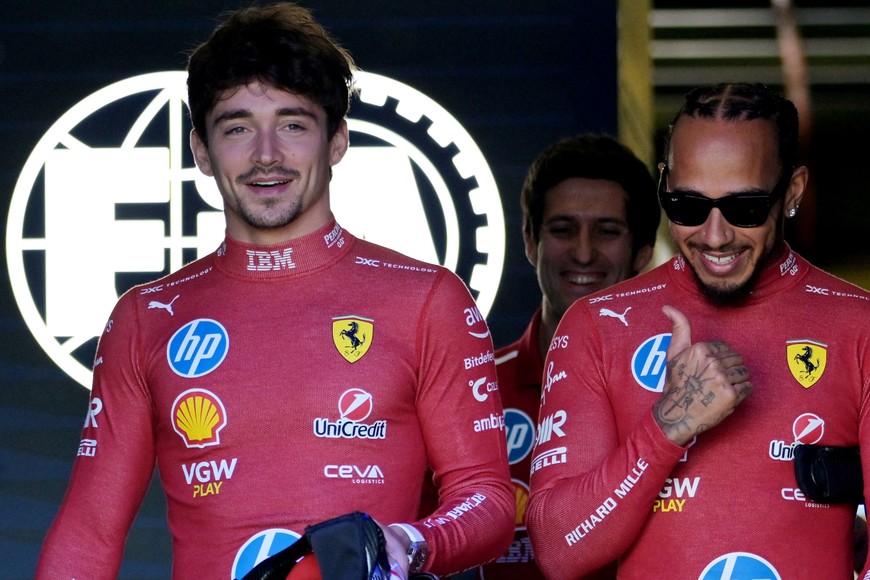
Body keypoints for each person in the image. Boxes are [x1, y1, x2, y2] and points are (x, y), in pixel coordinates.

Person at [36, 3, 514, 579]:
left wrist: (408, 541)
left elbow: (487, 499)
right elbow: (89, 532)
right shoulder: (146, 317)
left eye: (293, 124)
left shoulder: (427, 299)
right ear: (201, 150)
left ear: (337, 140)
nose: (267, 154)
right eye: (237, 127)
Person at [526, 82, 870, 579]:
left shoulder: (857, 324)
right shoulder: (597, 324)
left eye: (745, 208)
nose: (714, 235)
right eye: (687, 205)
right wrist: (668, 426)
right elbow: (559, 550)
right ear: (664, 183)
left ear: (792, 191)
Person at [477, 133, 660, 579]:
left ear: (642, 251)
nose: (582, 252)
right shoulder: (472, 390)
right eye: (562, 229)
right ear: (529, 241)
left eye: (607, 231)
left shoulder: (680, 390)